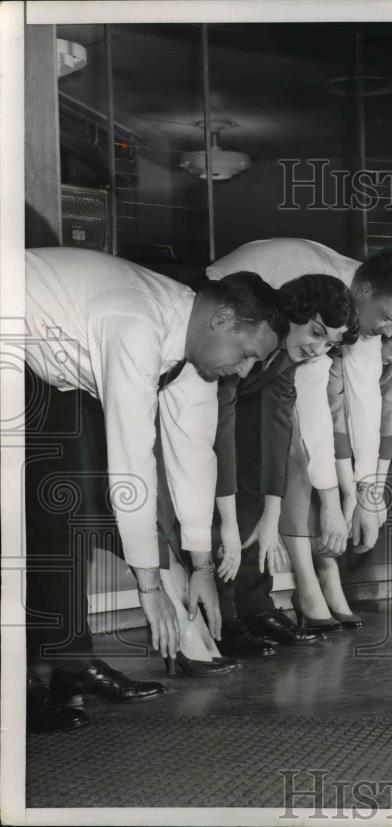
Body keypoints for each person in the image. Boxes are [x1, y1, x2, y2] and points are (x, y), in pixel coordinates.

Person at [23, 247, 282, 731]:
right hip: (12, 346)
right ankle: (18, 686)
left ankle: (69, 663)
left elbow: (194, 457)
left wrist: (201, 566)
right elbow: (132, 457)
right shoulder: (137, 322)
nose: (245, 371)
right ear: (222, 319)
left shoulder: (193, 354)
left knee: (63, 510)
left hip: (41, 371)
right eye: (247, 354)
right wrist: (150, 586)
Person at [206, 239, 392, 631]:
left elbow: (365, 401)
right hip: (218, 323)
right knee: (240, 465)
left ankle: (253, 604)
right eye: (390, 316)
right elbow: (313, 412)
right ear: (364, 293)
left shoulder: (354, 316)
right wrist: (330, 503)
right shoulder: (317, 299)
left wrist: (367, 497)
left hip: (269, 363)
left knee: (264, 460)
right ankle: (227, 612)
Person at [209, 274, 359, 654]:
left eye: (329, 342)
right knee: (217, 490)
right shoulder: (250, 330)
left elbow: (277, 434)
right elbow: (221, 426)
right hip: (198, 408)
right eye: (315, 331)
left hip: (237, 408)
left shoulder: (288, 358)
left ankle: (254, 606)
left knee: (259, 478)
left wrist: (272, 516)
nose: (318, 348)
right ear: (293, 313)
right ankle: (223, 616)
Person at [281, 305, 392, 626]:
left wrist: (372, 492)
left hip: (358, 445)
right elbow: (331, 425)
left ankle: (327, 577)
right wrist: (352, 495)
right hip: (310, 426)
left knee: (347, 500)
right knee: (314, 487)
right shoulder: (340, 359)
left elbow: (387, 425)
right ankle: (320, 579)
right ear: (382, 338)